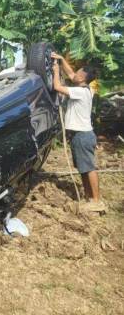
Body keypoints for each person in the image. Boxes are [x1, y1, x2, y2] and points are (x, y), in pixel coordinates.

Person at [51, 52, 102, 206]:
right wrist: (61, 59)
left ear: (82, 78)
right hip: (80, 135)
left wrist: (56, 71)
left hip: (82, 136)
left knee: (89, 168)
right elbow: (71, 74)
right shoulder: (87, 89)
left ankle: (96, 200)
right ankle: (89, 198)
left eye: (78, 73)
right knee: (83, 168)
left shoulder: (79, 92)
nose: (74, 74)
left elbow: (57, 86)